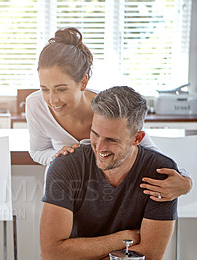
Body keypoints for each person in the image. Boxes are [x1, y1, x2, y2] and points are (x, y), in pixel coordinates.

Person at [26, 27, 191, 202]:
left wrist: (186, 181)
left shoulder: (110, 108)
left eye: (61, 89)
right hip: (65, 191)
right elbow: (38, 150)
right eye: (44, 89)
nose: (53, 100)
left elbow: (150, 152)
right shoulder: (36, 105)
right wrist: (56, 155)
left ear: (83, 82)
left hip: (109, 198)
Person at [40, 86, 178, 260]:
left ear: (137, 138)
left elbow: (150, 257)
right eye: (95, 134)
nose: (99, 147)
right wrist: (124, 239)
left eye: (112, 140)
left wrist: (78, 254)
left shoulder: (161, 174)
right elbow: (53, 256)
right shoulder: (65, 166)